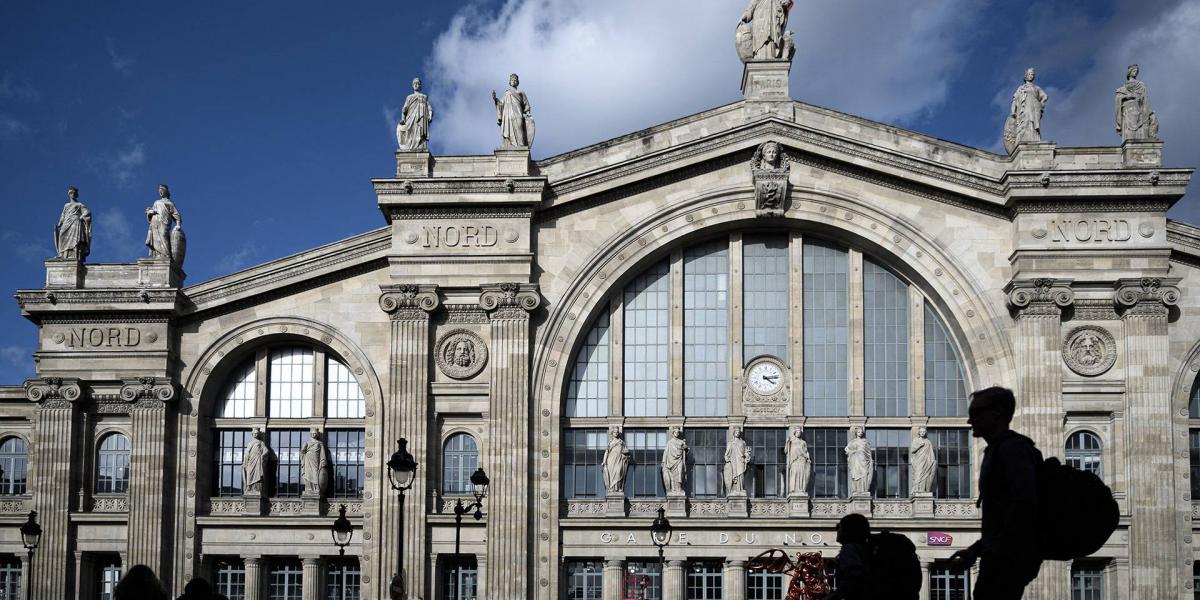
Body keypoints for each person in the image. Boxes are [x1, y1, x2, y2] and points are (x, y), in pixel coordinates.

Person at [949, 386, 1043, 599]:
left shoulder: (1012, 449)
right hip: (1003, 555)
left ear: (997, 413)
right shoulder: (1000, 449)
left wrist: (997, 550)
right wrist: (975, 551)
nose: (969, 421)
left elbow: (1024, 505)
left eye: (975, 413)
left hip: (1008, 558)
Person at [826, 513, 871, 600]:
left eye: (838, 526)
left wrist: (833, 597)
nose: (837, 530)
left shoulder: (849, 549)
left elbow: (853, 580)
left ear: (847, 530)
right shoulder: (864, 549)